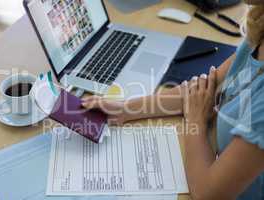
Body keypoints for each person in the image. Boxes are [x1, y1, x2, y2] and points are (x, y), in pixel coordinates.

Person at [82, 1, 264, 199]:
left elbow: (207, 194)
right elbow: (200, 93)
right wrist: (125, 109)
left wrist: (195, 121)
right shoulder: (259, 32)